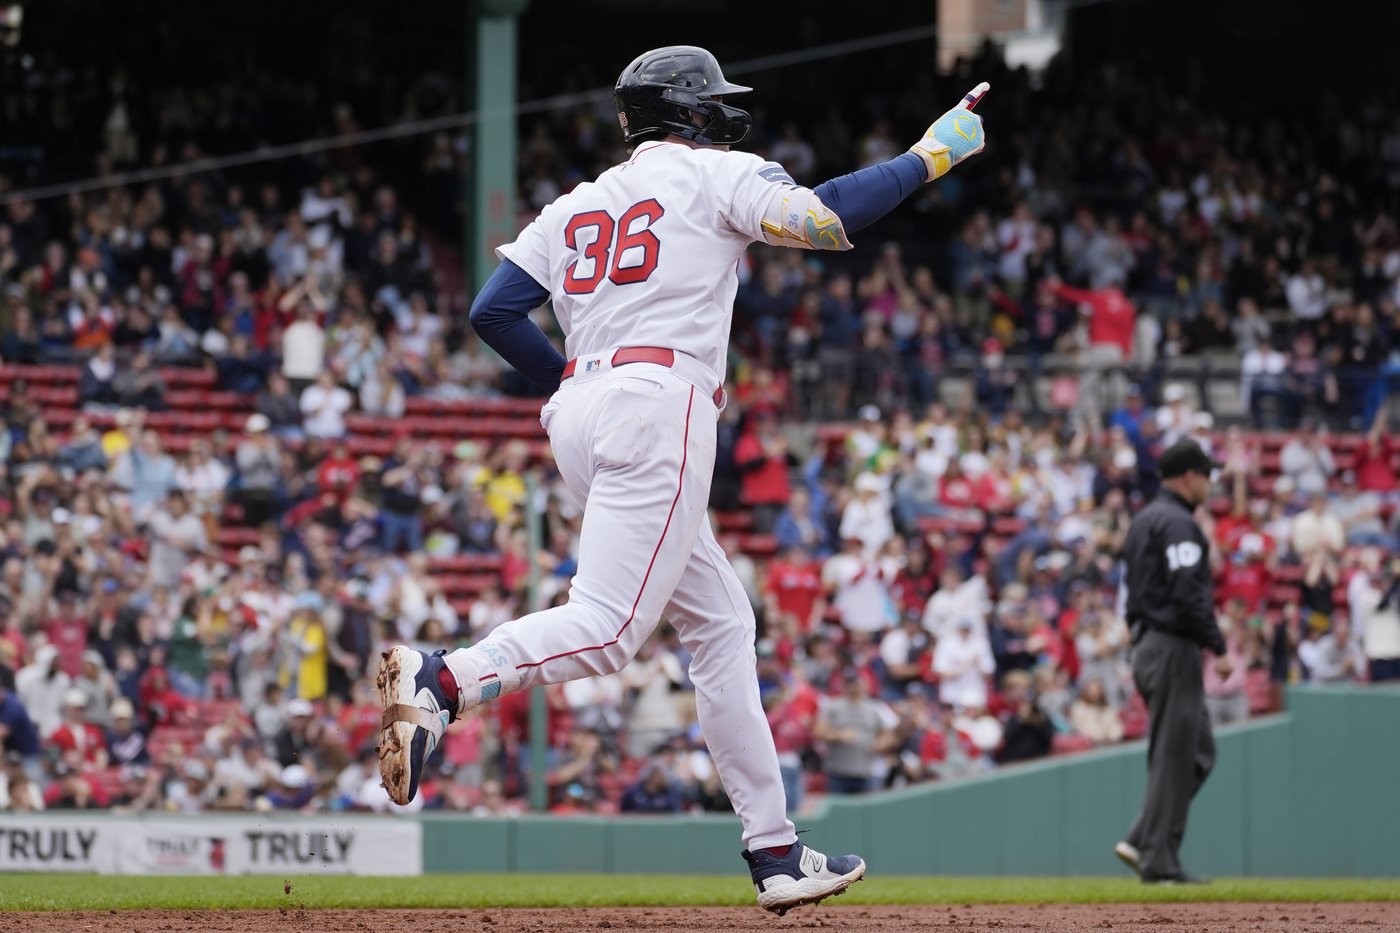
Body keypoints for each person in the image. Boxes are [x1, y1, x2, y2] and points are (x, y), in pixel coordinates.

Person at [375, 45, 989, 914]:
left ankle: (776, 850)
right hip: (659, 401)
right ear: (692, 113)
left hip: (586, 408)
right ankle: (443, 682)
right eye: (715, 104)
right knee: (612, 628)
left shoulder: (579, 201)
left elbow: (492, 311)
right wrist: (933, 154)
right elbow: (823, 220)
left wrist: (569, 381)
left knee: (722, 624)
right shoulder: (713, 175)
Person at [1115, 438, 1232, 884]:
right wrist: (1218, 646)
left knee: (1198, 750)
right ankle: (1159, 861)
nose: (1209, 482)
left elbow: (1133, 591)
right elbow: (1188, 592)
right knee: (1174, 754)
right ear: (1189, 477)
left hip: (1149, 642)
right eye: (1206, 474)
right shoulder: (1179, 523)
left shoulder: (1144, 518)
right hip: (1171, 646)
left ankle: (1143, 836)